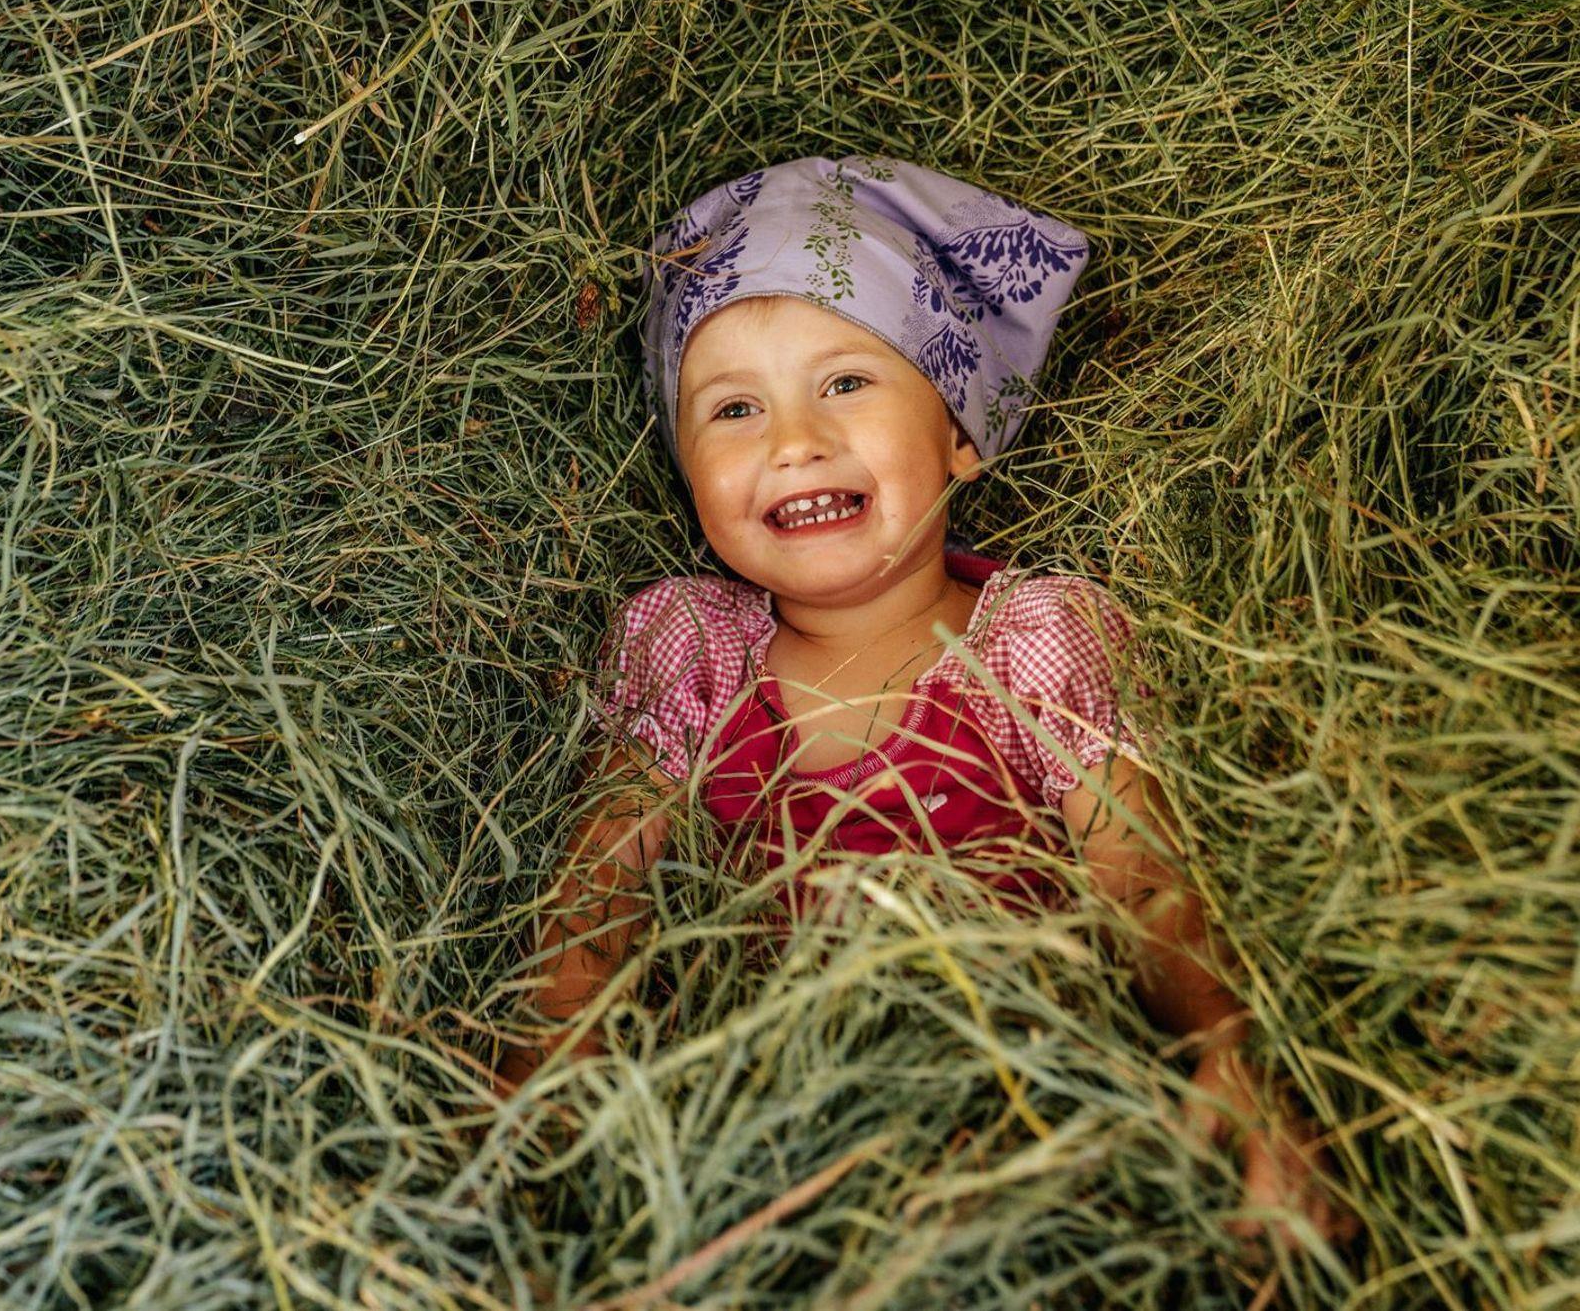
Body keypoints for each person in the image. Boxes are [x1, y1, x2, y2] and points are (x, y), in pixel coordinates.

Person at [493, 156, 1349, 1252]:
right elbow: (598, 878)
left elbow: (1141, 877)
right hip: (747, 1164)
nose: (792, 441)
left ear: (959, 434)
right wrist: (548, 1057)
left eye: (846, 383)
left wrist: (1223, 1045)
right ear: (687, 471)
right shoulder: (691, 647)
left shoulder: (1036, 641)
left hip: (1028, 1140)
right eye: (734, 408)